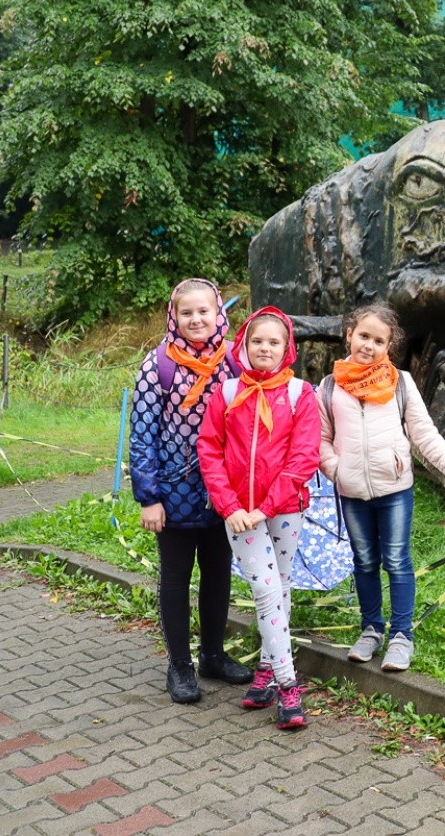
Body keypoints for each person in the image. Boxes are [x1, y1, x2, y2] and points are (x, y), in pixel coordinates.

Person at [318, 302, 445, 673]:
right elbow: (321, 439)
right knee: (365, 561)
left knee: (396, 561)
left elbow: (424, 435)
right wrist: (335, 468)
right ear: (349, 335)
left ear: (388, 346)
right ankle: (371, 629)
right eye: (363, 336)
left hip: (394, 491)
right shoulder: (329, 387)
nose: (369, 345)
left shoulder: (400, 383)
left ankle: (402, 636)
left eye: (378, 340)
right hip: (352, 492)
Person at [129, 279, 253, 704]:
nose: (197, 320)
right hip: (174, 492)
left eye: (205, 311)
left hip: (225, 493)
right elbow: (142, 435)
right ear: (174, 316)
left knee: (219, 573)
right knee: (177, 577)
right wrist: (149, 497)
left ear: (219, 311)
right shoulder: (158, 365)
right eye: (187, 313)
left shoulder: (236, 360)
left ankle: (213, 656)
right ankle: (179, 665)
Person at [198, 306, 321, 730]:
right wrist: (231, 506)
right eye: (257, 341)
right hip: (239, 517)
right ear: (244, 346)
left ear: (287, 349)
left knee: (281, 585)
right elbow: (209, 449)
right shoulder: (228, 393)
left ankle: (267, 671)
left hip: (284, 509)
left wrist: (264, 507)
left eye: (274, 342)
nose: (264, 348)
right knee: (266, 589)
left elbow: (303, 457)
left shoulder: (301, 394)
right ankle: (289, 688)